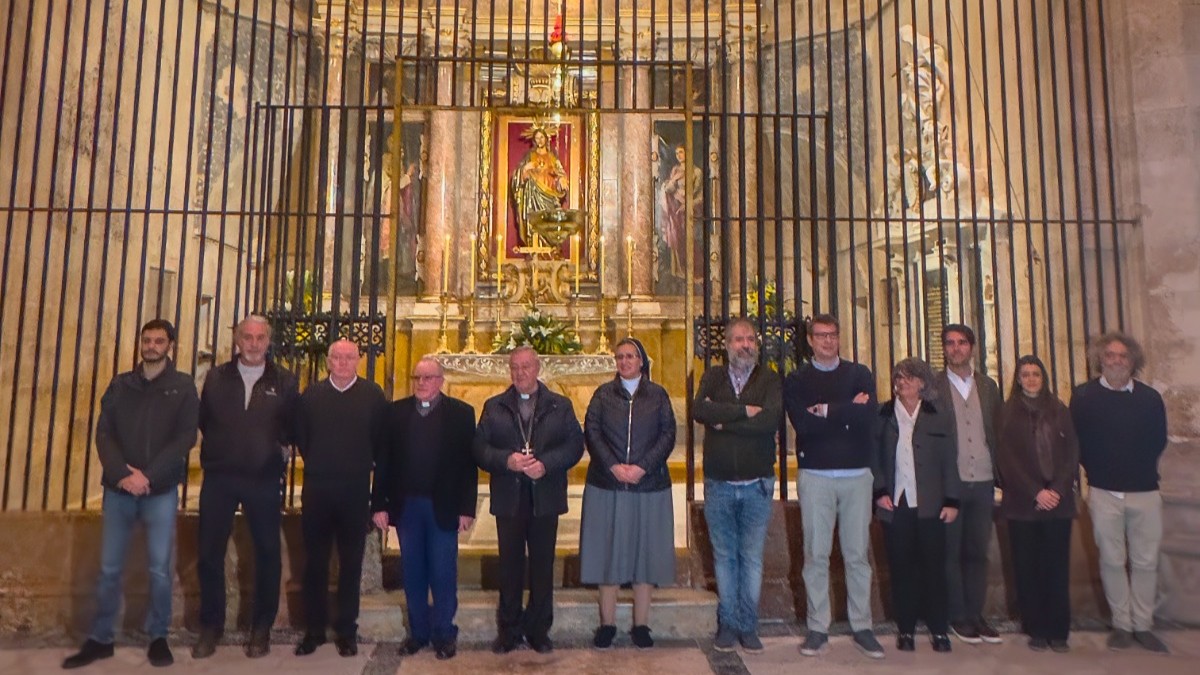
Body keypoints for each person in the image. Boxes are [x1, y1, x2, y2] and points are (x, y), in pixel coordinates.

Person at [62, 320, 199, 669]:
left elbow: (185, 438)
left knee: (159, 569)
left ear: (171, 345)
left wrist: (148, 477)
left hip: (160, 490)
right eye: (147, 340)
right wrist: (123, 474)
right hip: (119, 489)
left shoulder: (182, 386)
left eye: (159, 341)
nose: (151, 346)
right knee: (109, 568)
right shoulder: (121, 384)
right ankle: (101, 638)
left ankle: (158, 637)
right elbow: (103, 433)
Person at [193, 315, 299, 659]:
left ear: (269, 341)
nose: (254, 344)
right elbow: (205, 420)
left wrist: (273, 451)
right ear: (237, 340)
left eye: (260, 337)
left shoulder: (284, 380)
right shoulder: (217, 377)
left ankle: (261, 627)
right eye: (247, 337)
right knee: (209, 553)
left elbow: (291, 425)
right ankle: (211, 626)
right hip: (220, 477)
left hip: (263, 478)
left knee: (267, 554)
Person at [783, 313, 884, 659]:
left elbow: (869, 417)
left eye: (833, 335)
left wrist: (826, 410)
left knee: (857, 555)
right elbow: (804, 426)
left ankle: (863, 625)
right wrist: (845, 413)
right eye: (821, 335)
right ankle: (817, 627)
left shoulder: (859, 373)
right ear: (810, 340)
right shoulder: (797, 379)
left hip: (857, 474)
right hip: (816, 475)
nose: (828, 341)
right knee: (816, 555)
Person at [473, 346, 584, 654]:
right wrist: (505, 460)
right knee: (509, 566)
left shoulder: (560, 406)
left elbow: (575, 444)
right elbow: (479, 448)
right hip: (509, 496)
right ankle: (508, 630)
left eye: (526, 367)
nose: (520, 373)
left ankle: (538, 629)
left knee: (541, 564)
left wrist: (546, 463)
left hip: (544, 495)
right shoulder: (494, 406)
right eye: (515, 368)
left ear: (538, 368)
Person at [372, 357, 478, 661]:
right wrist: (380, 504)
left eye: (429, 378)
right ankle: (418, 632)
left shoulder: (461, 414)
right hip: (407, 506)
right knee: (413, 571)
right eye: (418, 377)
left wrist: (466, 508)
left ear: (440, 381)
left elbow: (468, 467)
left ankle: (444, 633)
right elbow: (384, 462)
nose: (422, 382)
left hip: (442, 506)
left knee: (444, 573)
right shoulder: (395, 413)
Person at [1070, 332, 1170, 654]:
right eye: (1110, 355)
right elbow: (1078, 443)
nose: (1115, 361)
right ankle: (1122, 624)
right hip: (1103, 491)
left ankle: (1143, 624)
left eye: (1122, 356)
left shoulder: (1150, 398)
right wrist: (1099, 470)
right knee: (1112, 561)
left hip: (1144, 491)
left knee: (1145, 561)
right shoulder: (1083, 397)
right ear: (1100, 359)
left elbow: (1158, 440)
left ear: (1133, 361)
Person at [580, 337, 677, 650]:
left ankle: (641, 625)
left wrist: (642, 468)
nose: (624, 361)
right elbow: (592, 431)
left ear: (642, 361)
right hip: (607, 484)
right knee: (608, 554)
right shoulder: (602, 394)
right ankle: (607, 624)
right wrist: (613, 466)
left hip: (648, 485)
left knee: (644, 555)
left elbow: (667, 434)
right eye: (620, 357)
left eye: (631, 356)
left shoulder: (658, 395)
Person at [293, 339, 387, 658]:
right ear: (328, 362)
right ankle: (314, 629)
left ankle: (346, 630)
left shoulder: (373, 395)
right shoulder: (312, 396)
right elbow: (302, 437)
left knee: (351, 563)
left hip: (355, 488)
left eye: (350, 357)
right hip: (318, 488)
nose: (344, 362)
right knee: (315, 563)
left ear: (359, 360)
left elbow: (380, 439)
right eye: (338, 357)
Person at [693, 317, 782, 654]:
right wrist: (746, 412)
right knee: (725, 558)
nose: (746, 344)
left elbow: (770, 420)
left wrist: (724, 421)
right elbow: (700, 410)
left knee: (752, 558)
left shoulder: (769, 378)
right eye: (739, 339)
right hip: (720, 484)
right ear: (727, 344)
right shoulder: (713, 377)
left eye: (750, 339)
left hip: (757, 482)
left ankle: (749, 625)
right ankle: (729, 624)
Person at [872, 358, 959, 654]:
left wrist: (951, 500)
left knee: (934, 569)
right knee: (901, 569)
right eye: (899, 378)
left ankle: (939, 631)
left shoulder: (938, 415)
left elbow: (950, 459)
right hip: (896, 503)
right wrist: (879, 491)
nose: (903, 383)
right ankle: (905, 630)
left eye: (909, 378)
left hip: (931, 504)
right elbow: (876, 457)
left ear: (923, 383)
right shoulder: (884, 414)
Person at [996, 355, 1079, 653]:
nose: (1031, 379)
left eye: (1036, 374)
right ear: (1018, 379)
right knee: (1027, 569)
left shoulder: (1059, 409)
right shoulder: (1006, 413)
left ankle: (1059, 630)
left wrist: (1055, 489)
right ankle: (1037, 629)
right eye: (1025, 374)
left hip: (1058, 502)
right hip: (1023, 504)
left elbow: (1071, 453)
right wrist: (1035, 491)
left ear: (1043, 377)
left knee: (1056, 568)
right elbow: (1006, 460)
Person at [935, 324, 1004, 644]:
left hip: (984, 479)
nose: (956, 348)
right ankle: (957, 614)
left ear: (972, 348)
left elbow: (997, 432)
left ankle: (976, 613)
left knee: (978, 551)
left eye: (962, 343)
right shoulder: (933, 387)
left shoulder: (988, 387)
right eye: (950, 343)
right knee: (950, 552)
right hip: (951, 482)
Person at [511, 126, 568, 245]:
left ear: (546, 139)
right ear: (534, 140)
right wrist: (525, 169)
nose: (540, 140)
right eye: (537, 138)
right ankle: (535, 249)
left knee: (549, 223)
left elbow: (560, 172)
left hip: (550, 194)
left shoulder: (552, 156)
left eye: (542, 137)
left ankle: (550, 249)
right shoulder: (529, 155)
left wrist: (562, 179)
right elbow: (518, 176)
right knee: (534, 222)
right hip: (533, 195)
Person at [659, 144, 701, 278]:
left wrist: (688, 204)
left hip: (687, 209)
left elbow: (700, 196)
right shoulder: (675, 170)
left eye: (681, 152)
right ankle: (677, 270)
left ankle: (691, 269)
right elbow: (669, 189)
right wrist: (671, 183)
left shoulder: (696, 172)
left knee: (687, 239)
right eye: (677, 153)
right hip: (674, 208)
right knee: (675, 238)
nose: (679, 155)